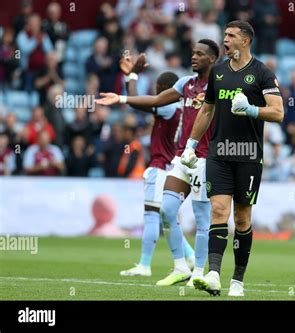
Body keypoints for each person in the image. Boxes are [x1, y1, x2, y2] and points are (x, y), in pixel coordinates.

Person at [96, 39, 220, 286]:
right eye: (192, 52)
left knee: (202, 219)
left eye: (200, 54)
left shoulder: (220, 85)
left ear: (212, 59)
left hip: (205, 159)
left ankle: (198, 273)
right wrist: (121, 99)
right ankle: (180, 267)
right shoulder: (186, 84)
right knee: (166, 211)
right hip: (181, 158)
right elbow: (154, 100)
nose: (193, 56)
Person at [181, 21, 284, 296]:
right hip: (219, 154)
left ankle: (237, 280)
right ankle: (213, 273)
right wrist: (190, 145)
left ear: (245, 41)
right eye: (224, 35)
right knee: (218, 211)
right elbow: (206, 110)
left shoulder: (262, 73)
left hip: (249, 156)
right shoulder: (217, 72)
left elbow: (278, 113)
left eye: (230, 36)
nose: (224, 39)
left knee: (241, 218)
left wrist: (251, 110)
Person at [117, 55, 195, 277]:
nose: (154, 92)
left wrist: (133, 74)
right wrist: (128, 75)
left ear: (165, 89)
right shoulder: (181, 108)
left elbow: (134, 99)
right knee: (166, 216)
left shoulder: (168, 106)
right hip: (173, 167)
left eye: (157, 88)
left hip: (161, 165)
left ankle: (144, 265)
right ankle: (188, 255)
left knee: (152, 214)